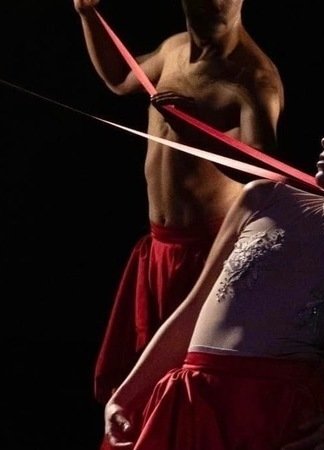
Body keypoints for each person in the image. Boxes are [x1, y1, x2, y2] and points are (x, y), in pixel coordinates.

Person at [101, 97, 324, 450]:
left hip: (271, 424)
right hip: (191, 402)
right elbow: (192, 310)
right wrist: (126, 394)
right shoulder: (265, 199)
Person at [72, 0, 286, 427]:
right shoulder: (173, 49)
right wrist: (88, 15)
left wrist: (198, 131)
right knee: (136, 389)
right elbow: (121, 79)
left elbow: (264, 174)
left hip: (204, 257)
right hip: (158, 247)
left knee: (182, 389)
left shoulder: (253, 78)